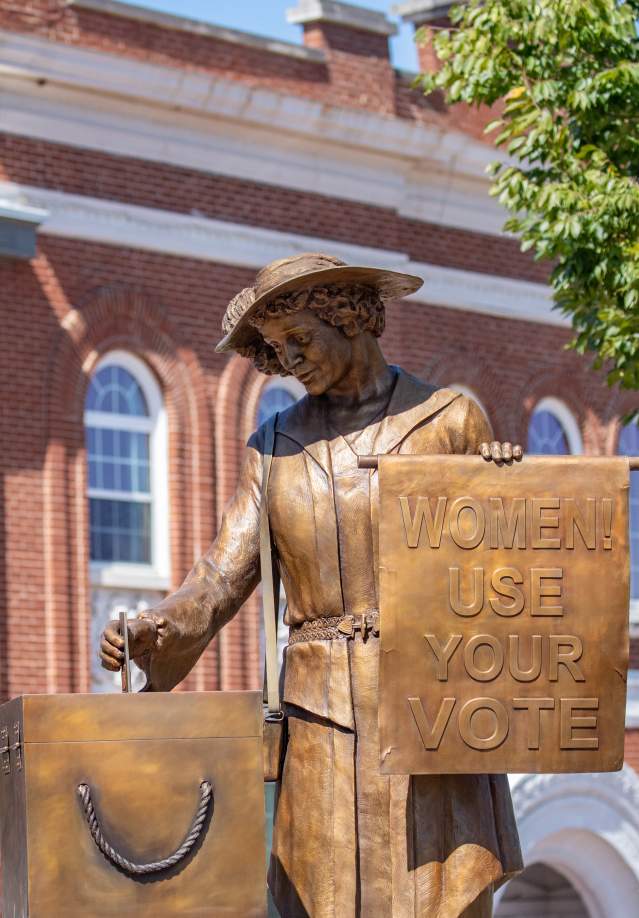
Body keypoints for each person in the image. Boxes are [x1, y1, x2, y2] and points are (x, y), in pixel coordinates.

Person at [100, 253, 523, 918]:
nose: (290, 359)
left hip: (432, 706)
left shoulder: (448, 420)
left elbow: (506, 576)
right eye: (276, 349)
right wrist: (158, 625)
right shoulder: (276, 443)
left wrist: (514, 497)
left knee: (435, 899)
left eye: (300, 339)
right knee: (325, 898)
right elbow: (218, 577)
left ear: (352, 318)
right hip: (320, 714)